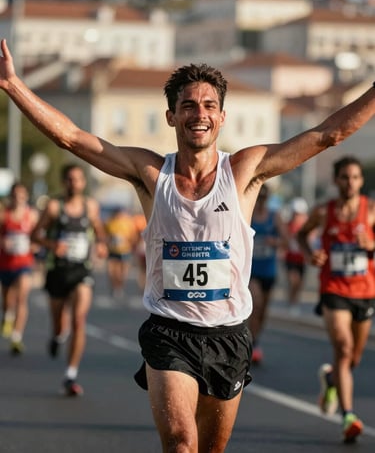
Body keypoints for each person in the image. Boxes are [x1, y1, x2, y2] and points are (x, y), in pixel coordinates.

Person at [1, 38, 375, 450]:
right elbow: (72, 138)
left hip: (228, 334)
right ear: (171, 116)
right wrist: (14, 85)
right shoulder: (148, 173)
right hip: (169, 332)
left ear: (222, 117)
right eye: (189, 106)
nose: (200, 114)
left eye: (209, 105)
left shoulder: (245, 171)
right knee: (181, 442)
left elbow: (327, 134)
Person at [297, 156, 375, 443]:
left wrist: (372, 244)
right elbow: (303, 234)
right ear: (336, 180)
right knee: (343, 349)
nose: (350, 182)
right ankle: (348, 416)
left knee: (354, 356)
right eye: (344, 177)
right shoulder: (323, 212)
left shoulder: (370, 211)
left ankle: (331, 381)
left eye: (355, 177)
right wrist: (310, 254)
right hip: (333, 289)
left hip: (365, 292)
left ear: (361, 181)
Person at [30, 163, 108, 396]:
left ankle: (70, 374)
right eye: (70, 179)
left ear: (84, 182)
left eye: (78, 179)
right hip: (57, 271)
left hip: (81, 271)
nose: (75, 183)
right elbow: (35, 234)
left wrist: (102, 244)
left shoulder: (90, 206)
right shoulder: (54, 207)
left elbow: (99, 230)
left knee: (78, 319)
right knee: (59, 324)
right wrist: (53, 245)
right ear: (64, 182)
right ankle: (56, 336)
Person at [248, 183, 287, 364]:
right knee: (255, 305)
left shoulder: (274, 217)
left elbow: (287, 241)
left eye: (264, 197)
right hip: (251, 272)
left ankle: (255, 340)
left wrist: (276, 242)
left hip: (269, 271)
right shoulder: (247, 215)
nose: (261, 200)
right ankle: (251, 344)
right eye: (259, 197)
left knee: (263, 311)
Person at [0, 182, 39, 354]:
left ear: (26, 197)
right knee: (8, 300)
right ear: (11, 196)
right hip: (5, 263)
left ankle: (17, 338)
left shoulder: (31, 216)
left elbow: (39, 237)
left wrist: (36, 246)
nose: (18, 198)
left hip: (24, 264)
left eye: (21, 195)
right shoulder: (3, 215)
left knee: (22, 297)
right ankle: (8, 316)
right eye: (15, 195)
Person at [104, 206, 138, 299]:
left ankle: (120, 287)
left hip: (125, 250)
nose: (120, 215)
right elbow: (105, 235)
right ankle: (115, 287)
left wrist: (130, 244)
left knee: (122, 272)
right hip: (112, 250)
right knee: (112, 271)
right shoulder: (109, 222)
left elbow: (133, 237)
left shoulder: (128, 223)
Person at [284, 197, 309, 316]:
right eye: (295, 213)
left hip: (302, 259)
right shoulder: (288, 225)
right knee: (294, 280)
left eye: (299, 214)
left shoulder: (306, 226)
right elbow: (284, 240)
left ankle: (294, 301)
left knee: (299, 283)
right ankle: (292, 302)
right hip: (290, 258)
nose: (297, 216)